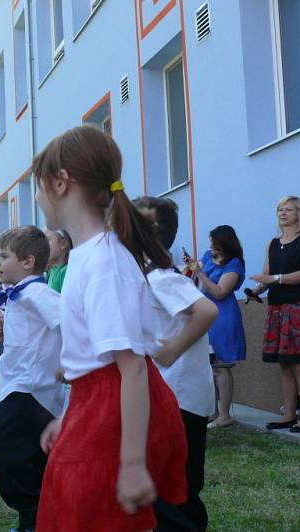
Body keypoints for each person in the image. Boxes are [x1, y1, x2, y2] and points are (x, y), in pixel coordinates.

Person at [33, 126, 187, 531]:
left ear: (61, 182)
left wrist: (133, 463)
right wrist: (68, 418)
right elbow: (90, 360)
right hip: (94, 405)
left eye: (38, 185)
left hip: (112, 410)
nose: (36, 197)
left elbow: (131, 367)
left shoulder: (104, 262)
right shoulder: (87, 256)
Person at [135, 196, 219, 531]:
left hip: (178, 397)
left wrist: (171, 350)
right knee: (175, 484)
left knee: (173, 488)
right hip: (175, 395)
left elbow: (207, 311)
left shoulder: (162, 279)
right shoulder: (152, 276)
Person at [0, 226, 65, 532]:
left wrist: (70, 363)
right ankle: (36, 518)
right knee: (32, 453)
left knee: (4, 447)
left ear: (28, 262)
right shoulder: (19, 295)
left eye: (4, 256)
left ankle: (33, 510)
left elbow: (65, 321)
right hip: (19, 382)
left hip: (31, 386)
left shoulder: (37, 292)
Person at [248, 196, 300, 433]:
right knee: (284, 365)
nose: (282, 212)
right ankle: (289, 414)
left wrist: (275, 279)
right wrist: (257, 289)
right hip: (276, 309)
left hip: (297, 308)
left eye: (288, 209)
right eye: (279, 209)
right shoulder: (272, 243)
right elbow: (269, 275)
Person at [187, 225, 246, 428]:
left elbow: (220, 291)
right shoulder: (207, 254)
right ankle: (210, 412)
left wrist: (200, 273)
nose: (211, 247)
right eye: (211, 243)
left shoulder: (234, 264)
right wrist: (191, 268)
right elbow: (194, 274)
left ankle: (224, 415)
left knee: (220, 365)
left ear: (226, 244)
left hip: (223, 316)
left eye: (216, 244)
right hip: (205, 313)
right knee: (208, 365)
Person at [43, 228, 72, 293]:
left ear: (63, 244)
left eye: (47, 240)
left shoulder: (65, 271)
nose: (42, 245)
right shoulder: (51, 270)